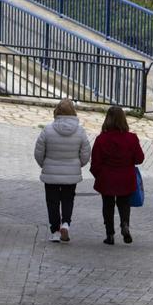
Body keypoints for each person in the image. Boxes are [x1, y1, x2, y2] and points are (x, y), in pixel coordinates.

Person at [34, 99, 91, 243]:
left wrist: (45, 165)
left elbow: (38, 153)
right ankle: (66, 223)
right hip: (71, 174)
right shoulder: (80, 131)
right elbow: (86, 153)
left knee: (52, 202)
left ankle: (55, 231)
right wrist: (78, 165)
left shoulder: (47, 130)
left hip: (50, 173)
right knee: (68, 199)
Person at [89, 105, 144, 245]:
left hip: (107, 178)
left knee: (107, 205)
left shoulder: (101, 139)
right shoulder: (132, 138)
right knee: (124, 203)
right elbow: (139, 159)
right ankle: (125, 224)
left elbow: (95, 162)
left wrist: (99, 176)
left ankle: (110, 234)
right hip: (126, 178)